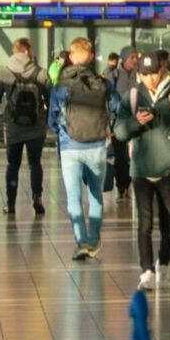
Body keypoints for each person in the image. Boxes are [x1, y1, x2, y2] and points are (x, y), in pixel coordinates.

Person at [116, 50, 170, 290]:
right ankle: (146, 270)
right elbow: (118, 132)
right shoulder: (131, 97)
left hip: (168, 170)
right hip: (141, 170)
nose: (150, 79)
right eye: (145, 74)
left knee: (168, 223)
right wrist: (135, 123)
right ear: (139, 74)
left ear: (161, 72)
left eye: (153, 74)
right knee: (145, 223)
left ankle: (164, 264)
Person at [51, 37, 115, 260]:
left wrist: (61, 129)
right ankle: (94, 240)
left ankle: (81, 242)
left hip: (70, 146)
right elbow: (117, 107)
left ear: (70, 56)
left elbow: (52, 118)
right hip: (97, 145)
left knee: (73, 198)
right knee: (96, 194)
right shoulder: (103, 82)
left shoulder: (60, 85)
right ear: (90, 57)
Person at [0, 38, 49, 216]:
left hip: (13, 126)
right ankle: (37, 197)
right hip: (36, 127)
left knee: (13, 165)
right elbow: (51, 97)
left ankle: (10, 204)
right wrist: (47, 117)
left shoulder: (4, 72)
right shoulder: (40, 72)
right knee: (35, 164)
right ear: (27, 51)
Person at [105, 49, 139, 203]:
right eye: (132, 57)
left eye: (136, 56)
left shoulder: (139, 75)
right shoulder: (114, 75)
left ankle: (133, 182)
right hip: (117, 121)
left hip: (137, 119)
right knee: (120, 155)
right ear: (124, 59)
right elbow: (107, 97)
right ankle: (122, 185)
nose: (135, 59)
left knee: (135, 153)